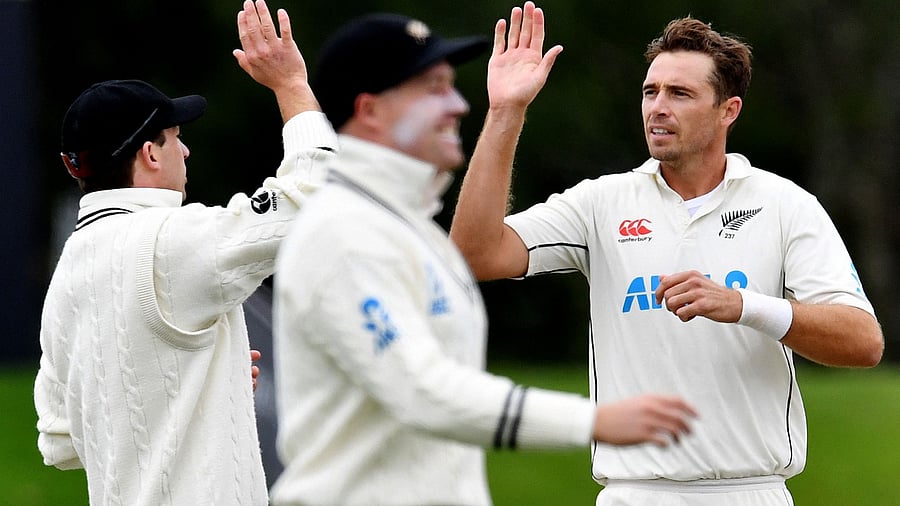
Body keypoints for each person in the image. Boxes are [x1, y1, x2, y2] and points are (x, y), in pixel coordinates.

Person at [449, 9, 885, 506]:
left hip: (750, 492)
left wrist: (744, 306)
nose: (658, 107)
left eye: (680, 94)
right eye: (650, 92)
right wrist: (506, 111)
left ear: (729, 110)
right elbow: (475, 255)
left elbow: (862, 341)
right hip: (633, 493)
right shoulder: (601, 203)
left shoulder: (786, 205)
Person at [270, 4, 698, 505]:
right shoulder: (343, 232)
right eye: (433, 88)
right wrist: (594, 419)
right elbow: (422, 390)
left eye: (451, 85)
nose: (457, 105)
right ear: (370, 111)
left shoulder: (404, 224)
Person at [33, 1, 337, 504]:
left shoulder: (69, 268)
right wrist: (291, 87)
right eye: (175, 137)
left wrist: (198, 386)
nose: (186, 150)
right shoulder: (171, 237)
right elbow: (316, 198)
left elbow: (60, 442)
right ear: (150, 154)